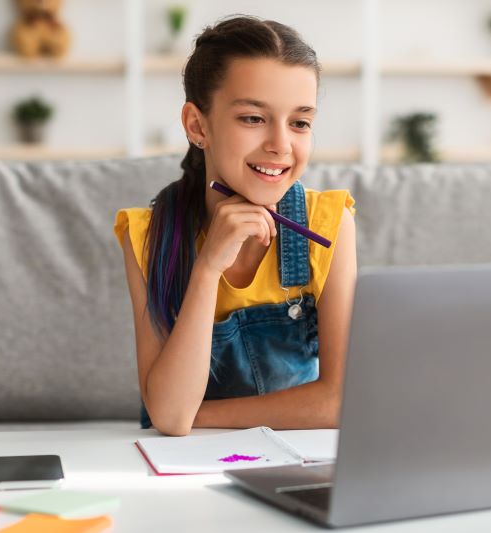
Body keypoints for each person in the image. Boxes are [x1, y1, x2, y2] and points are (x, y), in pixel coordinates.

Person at [113, 16, 356, 436]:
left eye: (300, 122)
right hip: (185, 468)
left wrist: (197, 415)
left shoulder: (329, 222)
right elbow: (170, 421)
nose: (281, 144)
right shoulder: (148, 236)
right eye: (253, 119)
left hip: (294, 459)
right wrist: (207, 269)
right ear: (197, 125)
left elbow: (340, 401)